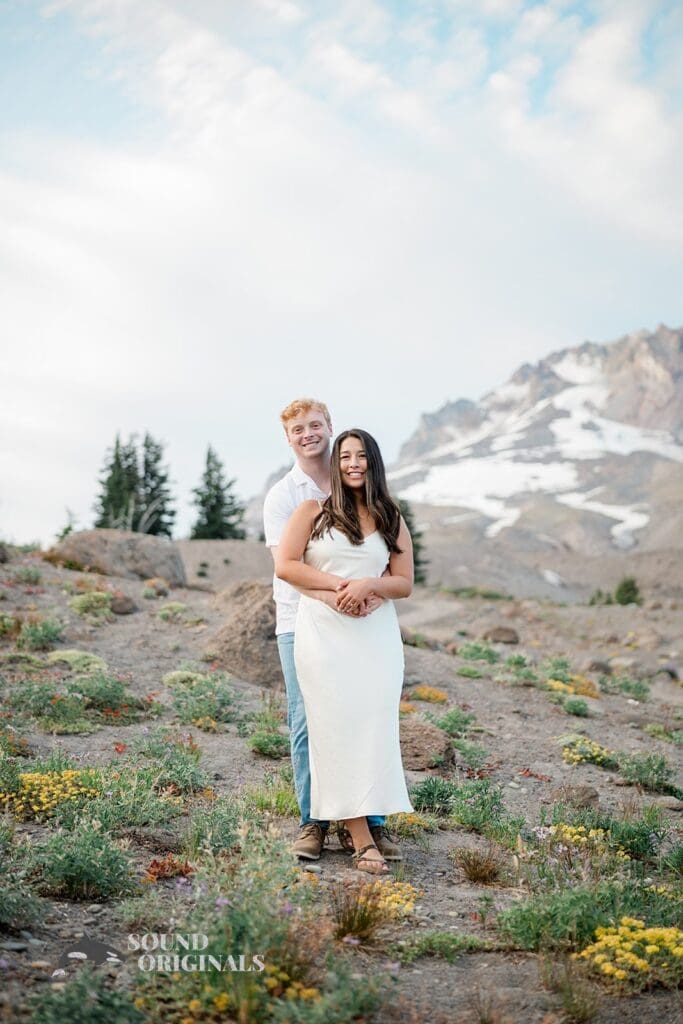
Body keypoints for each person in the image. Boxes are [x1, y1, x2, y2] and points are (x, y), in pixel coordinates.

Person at [263, 401, 401, 863]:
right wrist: (342, 592)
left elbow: (398, 575)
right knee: (311, 722)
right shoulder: (290, 498)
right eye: (298, 429)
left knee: (368, 720)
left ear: (331, 430)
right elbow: (288, 564)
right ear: (289, 438)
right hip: (303, 621)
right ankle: (315, 822)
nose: (308, 434)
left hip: (368, 627)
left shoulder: (382, 509)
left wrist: (371, 588)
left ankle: (369, 825)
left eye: (315, 425)